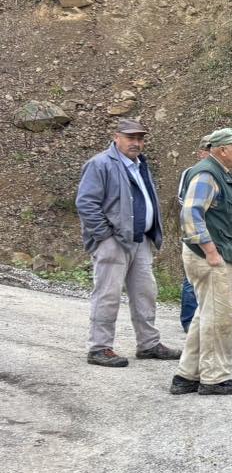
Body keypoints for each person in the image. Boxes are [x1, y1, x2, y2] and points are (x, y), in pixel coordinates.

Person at [74, 118, 181, 367]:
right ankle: (99, 348)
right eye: (131, 137)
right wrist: (104, 235)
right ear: (116, 137)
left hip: (140, 240)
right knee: (107, 294)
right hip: (113, 241)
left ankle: (148, 344)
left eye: (140, 138)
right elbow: (86, 203)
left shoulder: (140, 164)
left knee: (146, 293)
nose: (136, 143)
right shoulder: (99, 164)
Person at [170, 127, 232, 396]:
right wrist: (210, 251)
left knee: (205, 315)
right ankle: (215, 378)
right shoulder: (207, 174)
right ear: (221, 150)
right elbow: (190, 214)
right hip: (211, 257)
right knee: (220, 318)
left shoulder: (219, 173)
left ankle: (187, 375)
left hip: (215, 255)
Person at [177, 144, 211, 333]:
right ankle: (188, 320)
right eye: (207, 149)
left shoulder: (223, 174)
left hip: (216, 235)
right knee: (191, 279)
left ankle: (204, 319)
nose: (209, 152)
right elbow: (182, 199)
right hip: (193, 232)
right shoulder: (190, 172)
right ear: (200, 152)